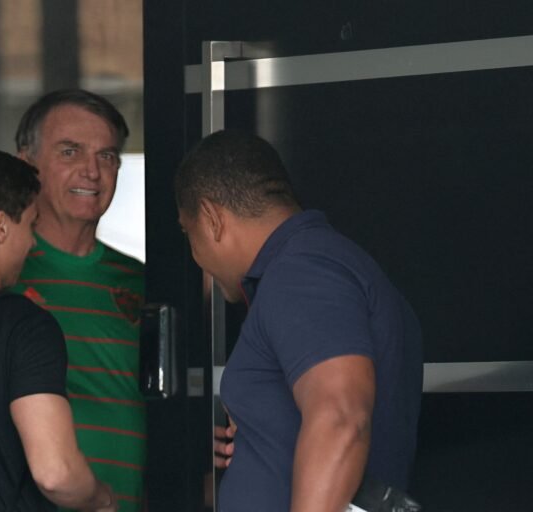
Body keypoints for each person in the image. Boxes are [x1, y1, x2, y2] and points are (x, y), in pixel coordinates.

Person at [0, 90, 146, 511]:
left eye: (107, 156)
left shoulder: (144, 282)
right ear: (27, 164)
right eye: (70, 151)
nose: (92, 171)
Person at [174, 130, 423, 512]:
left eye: (187, 233)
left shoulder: (301, 273)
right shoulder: (317, 266)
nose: (195, 256)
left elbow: (340, 417)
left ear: (211, 219)